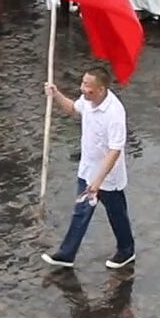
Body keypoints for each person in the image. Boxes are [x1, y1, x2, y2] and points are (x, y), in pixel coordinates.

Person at [39, 68, 134, 271]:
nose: (82, 88)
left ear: (100, 89)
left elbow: (115, 150)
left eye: (87, 86)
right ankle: (67, 254)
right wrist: (55, 95)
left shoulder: (114, 113)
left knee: (117, 214)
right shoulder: (88, 101)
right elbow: (74, 109)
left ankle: (126, 250)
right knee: (81, 212)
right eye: (83, 83)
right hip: (87, 170)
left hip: (107, 178)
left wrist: (98, 181)